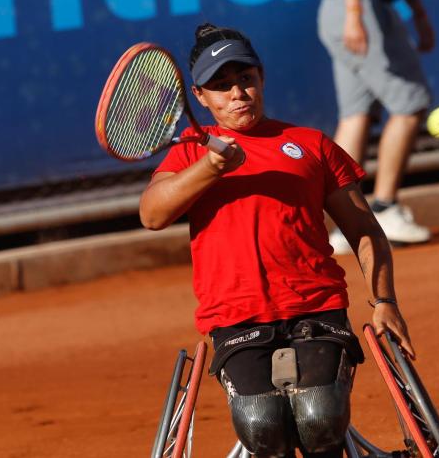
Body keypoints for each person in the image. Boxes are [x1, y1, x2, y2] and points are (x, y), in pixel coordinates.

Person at [139, 23, 415, 458]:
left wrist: (385, 302)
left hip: (316, 308)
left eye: (245, 79)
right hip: (236, 319)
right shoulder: (190, 154)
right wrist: (212, 167)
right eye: (222, 85)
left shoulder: (310, 145)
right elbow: (152, 213)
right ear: (201, 97)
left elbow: (365, 230)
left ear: (261, 77)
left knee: (320, 416)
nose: (237, 93)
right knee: (262, 425)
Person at [318, 0, 436, 254]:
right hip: (361, 6)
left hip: (339, 9)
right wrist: (355, 14)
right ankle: (384, 207)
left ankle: (346, 223)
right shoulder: (358, 10)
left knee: (355, 115)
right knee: (410, 105)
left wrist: (419, 13)